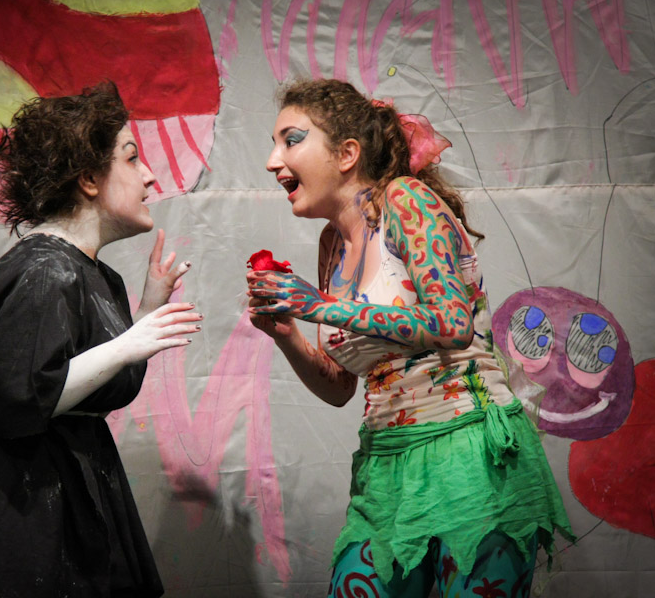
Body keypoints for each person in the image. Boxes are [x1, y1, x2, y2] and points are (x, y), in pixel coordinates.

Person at [246, 79, 573, 597]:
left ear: (347, 154)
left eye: (291, 140)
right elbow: (340, 386)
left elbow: (451, 323)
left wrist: (321, 306)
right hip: (385, 464)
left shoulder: (405, 200)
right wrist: (288, 334)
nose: (272, 161)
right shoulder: (332, 243)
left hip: (469, 453)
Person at [0, 83, 201, 598]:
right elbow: (17, 402)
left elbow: (101, 389)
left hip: (71, 485)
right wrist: (129, 342)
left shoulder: (96, 276)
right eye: (132, 158)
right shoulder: (44, 269)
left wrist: (146, 314)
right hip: (19, 503)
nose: (150, 175)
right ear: (88, 179)